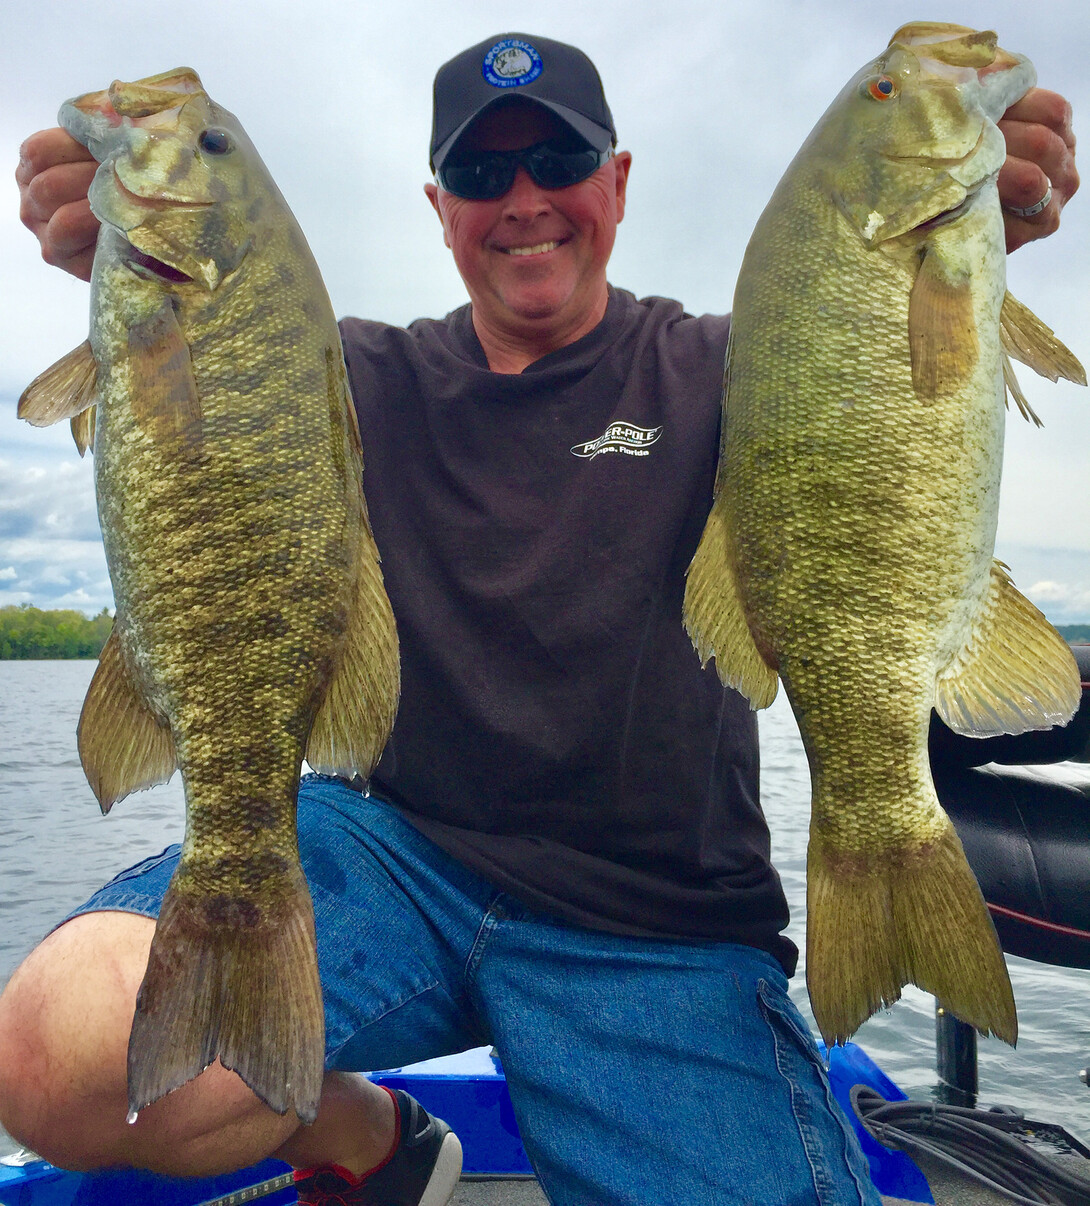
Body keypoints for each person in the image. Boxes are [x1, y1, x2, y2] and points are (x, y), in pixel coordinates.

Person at [1, 31, 1079, 1206]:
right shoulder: (344, 381)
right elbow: (212, 394)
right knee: (50, 1058)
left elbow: (870, 378)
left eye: (558, 159)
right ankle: (368, 1135)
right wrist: (124, 267)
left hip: (656, 924)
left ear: (616, 183)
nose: (522, 201)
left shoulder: (737, 372)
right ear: (439, 206)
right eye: (479, 175)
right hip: (397, 855)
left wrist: (968, 248)